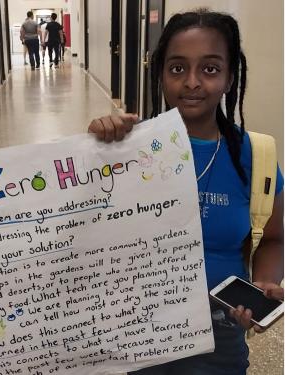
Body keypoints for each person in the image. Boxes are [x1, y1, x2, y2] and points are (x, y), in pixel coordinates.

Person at [88, 9, 283, 374]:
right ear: (160, 74)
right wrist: (94, 148)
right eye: (177, 68)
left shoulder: (254, 157)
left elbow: (274, 237)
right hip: (134, 342)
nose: (192, 82)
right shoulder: (125, 150)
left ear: (229, 78)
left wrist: (265, 283)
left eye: (210, 69)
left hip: (219, 345)